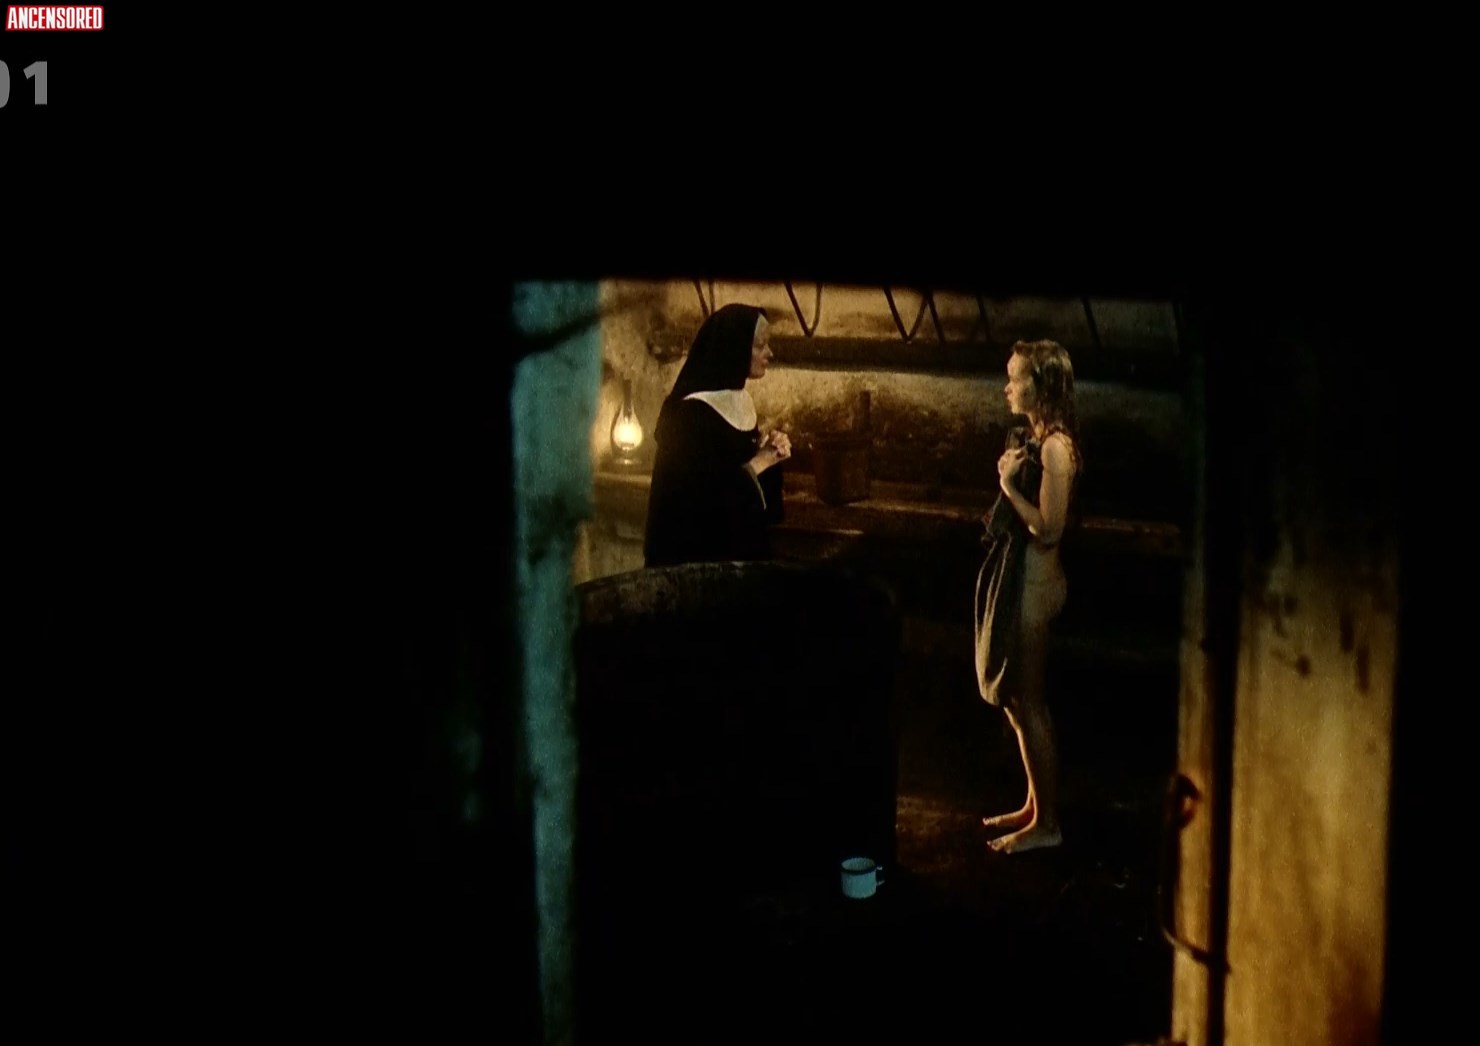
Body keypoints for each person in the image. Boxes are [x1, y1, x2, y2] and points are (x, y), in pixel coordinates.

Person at [974, 339, 1081, 854]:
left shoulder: (1057, 448)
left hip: (1037, 589)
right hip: (1024, 584)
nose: (1007, 387)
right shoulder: (1036, 440)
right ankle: (1035, 806)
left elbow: (1048, 530)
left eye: (1016, 379)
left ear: (1042, 387)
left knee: (1031, 705)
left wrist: (1008, 487)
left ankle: (1048, 824)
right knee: (1017, 704)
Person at [643, 303, 792, 567]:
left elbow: (749, 499)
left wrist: (772, 455)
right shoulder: (687, 414)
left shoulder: (740, 400)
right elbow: (703, 505)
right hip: (693, 559)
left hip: (734, 550)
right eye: (760, 345)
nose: (769, 352)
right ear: (734, 348)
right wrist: (760, 462)